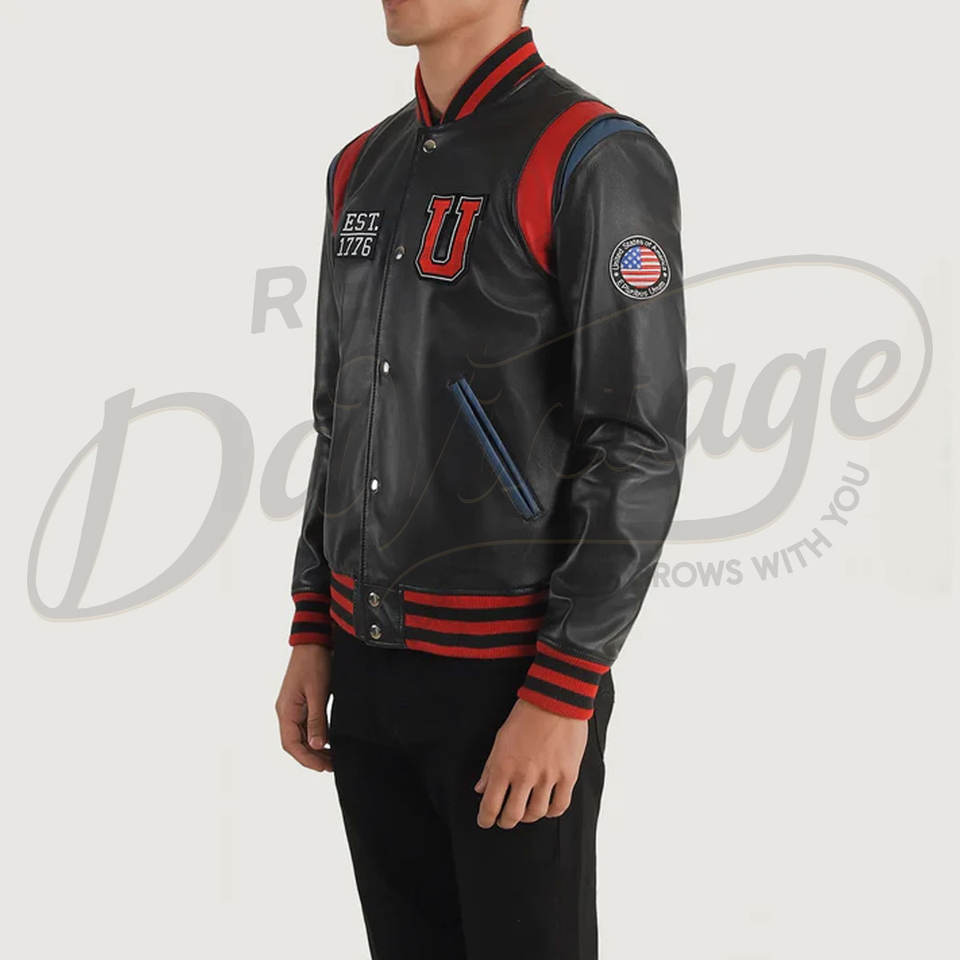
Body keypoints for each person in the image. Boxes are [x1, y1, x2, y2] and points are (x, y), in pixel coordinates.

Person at [276, 1, 686, 956]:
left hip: (510, 680)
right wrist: (312, 624)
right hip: (366, 664)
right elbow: (339, 417)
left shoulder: (591, 155)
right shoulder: (359, 166)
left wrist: (564, 687)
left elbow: (636, 438)